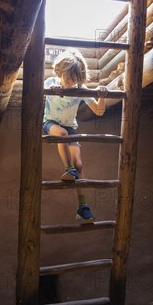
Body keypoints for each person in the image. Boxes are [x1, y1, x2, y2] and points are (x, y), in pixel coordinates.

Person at [43, 49, 108, 222]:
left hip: (71, 128)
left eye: (76, 78)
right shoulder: (51, 82)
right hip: (51, 124)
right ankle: (67, 169)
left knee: (79, 164)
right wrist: (53, 89)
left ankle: (83, 207)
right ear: (60, 72)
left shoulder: (80, 89)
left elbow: (99, 111)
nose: (72, 82)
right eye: (69, 77)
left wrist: (102, 97)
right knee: (62, 134)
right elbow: (42, 90)